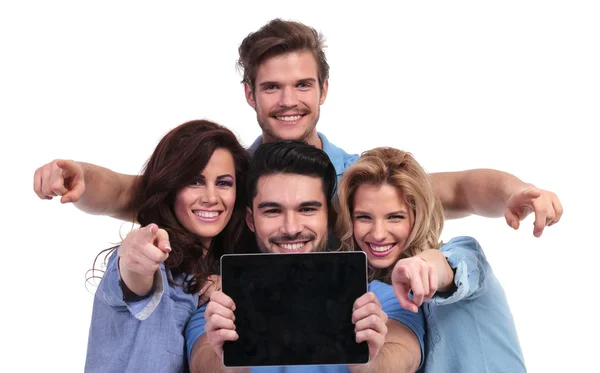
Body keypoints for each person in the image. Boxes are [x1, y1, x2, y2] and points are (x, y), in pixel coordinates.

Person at [33, 20, 562, 239]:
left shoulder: (357, 176)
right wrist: (78, 176)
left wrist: (516, 192)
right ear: (249, 95)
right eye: (271, 88)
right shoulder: (226, 177)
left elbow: (459, 187)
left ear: (324, 90)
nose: (289, 102)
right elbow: (131, 192)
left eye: (302, 86)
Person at [186, 140, 426, 373]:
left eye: (308, 209)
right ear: (251, 219)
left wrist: (368, 355)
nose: (291, 227)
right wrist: (227, 348)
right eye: (272, 210)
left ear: (330, 215)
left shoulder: (384, 296)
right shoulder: (219, 303)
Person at [336, 147, 531, 373]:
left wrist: (423, 266)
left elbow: (445, 268)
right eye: (364, 217)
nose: (378, 233)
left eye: (395, 217)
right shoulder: (374, 295)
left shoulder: (463, 255)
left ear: (417, 215)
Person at [74, 119, 252, 373]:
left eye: (224, 183)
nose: (211, 197)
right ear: (171, 186)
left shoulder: (214, 281)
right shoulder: (154, 260)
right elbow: (136, 272)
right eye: (195, 180)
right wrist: (136, 254)